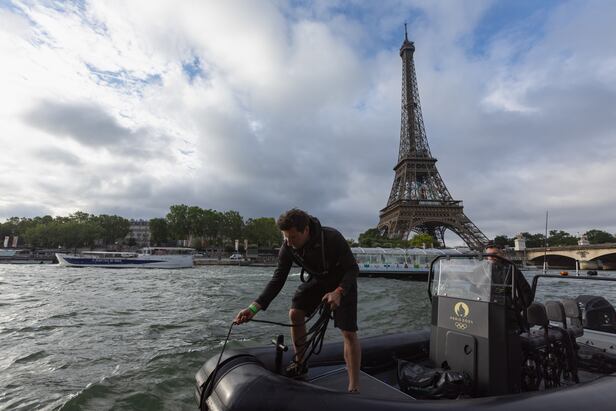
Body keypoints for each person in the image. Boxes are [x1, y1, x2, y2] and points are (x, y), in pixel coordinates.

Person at [234, 208, 361, 393]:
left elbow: (353, 269)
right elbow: (278, 280)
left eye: (293, 237)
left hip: (343, 282)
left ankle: (354, 387)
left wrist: (339, 292)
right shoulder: (288, 247)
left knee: (348, 333)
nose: (289, 241)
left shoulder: (332, 237)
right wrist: (253, 309)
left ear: (306, 230)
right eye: (285, 237)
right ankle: (300, 364)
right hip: (319, 280)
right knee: (295, 313)